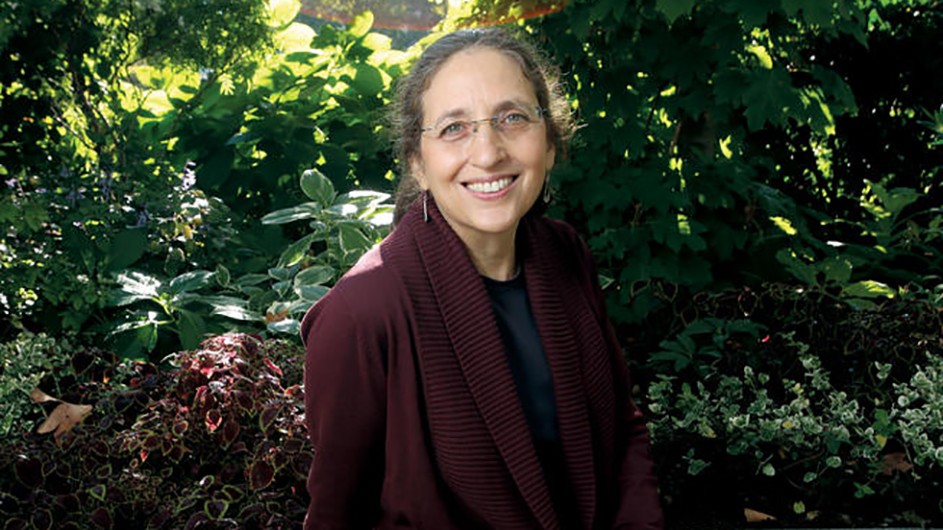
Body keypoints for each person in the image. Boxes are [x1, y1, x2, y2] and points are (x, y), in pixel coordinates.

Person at [301, 28, 664, 530]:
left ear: (551, 141)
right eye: (453, 128)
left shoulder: (565, 253)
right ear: (417, 163)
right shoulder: (362, 314)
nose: (489, 152)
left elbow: (622, 432)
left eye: (513, 118)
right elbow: (337, 518)